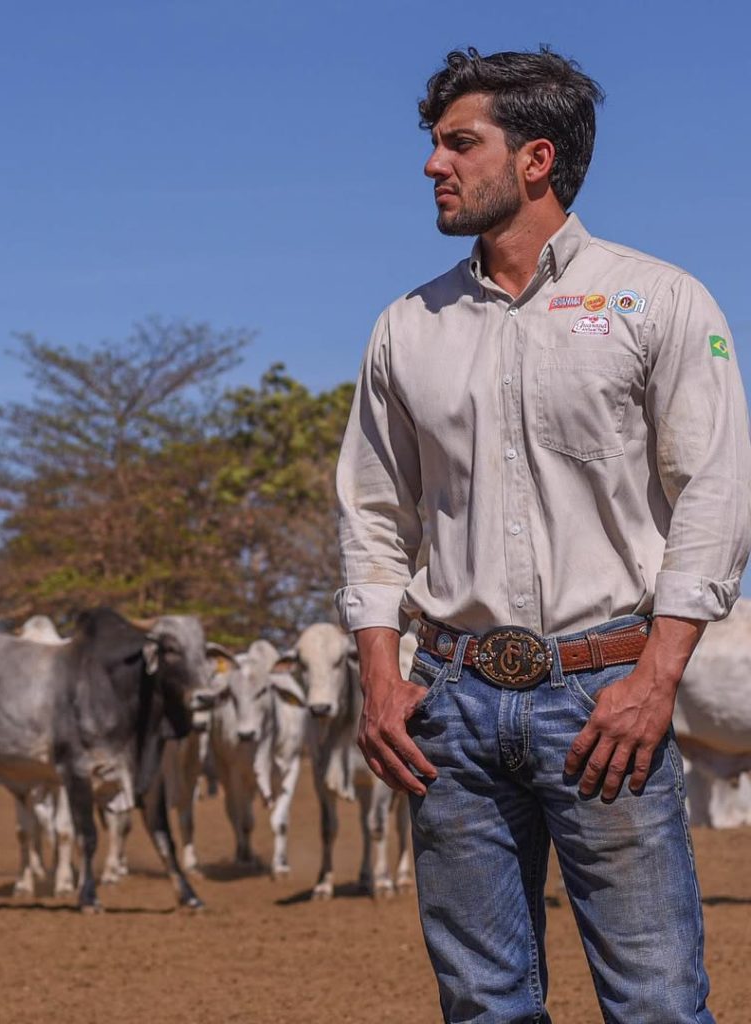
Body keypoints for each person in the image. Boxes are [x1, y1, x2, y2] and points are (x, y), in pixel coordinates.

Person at [335, 47, 751, 1024]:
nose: (432, 164)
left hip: (605, 698)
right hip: (449, 704)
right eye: (434, 144)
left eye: (458, 143)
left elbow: (715, 494)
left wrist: (655, 679)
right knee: (484, 1006)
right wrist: (381, 676)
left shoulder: (658, 299)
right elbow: (373, 513)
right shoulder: (407, 326)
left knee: (654, 1003)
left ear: (535, 159)